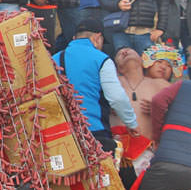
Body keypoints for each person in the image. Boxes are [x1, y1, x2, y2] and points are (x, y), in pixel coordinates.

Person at [55, 17, 139, 153]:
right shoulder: (101, 59)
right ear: (97, 38)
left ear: (74, 37)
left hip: (61, 135)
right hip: (94, 133)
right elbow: (117, 98)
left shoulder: (54, 59)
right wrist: (131, 123)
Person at [113, 47, 171, 141]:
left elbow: (180, 111)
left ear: (142, 61)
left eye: (130, 50)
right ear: (118, 68)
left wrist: (160, 111)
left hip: (147, 148)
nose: (124, 52)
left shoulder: (160, 84)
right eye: (119, 54)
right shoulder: (112, 83)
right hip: (116, 147)